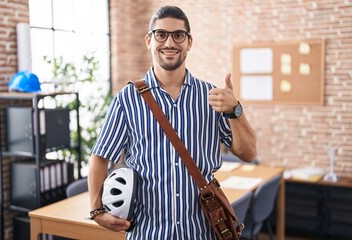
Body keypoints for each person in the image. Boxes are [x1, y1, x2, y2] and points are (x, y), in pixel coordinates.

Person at [88, 5, 257, 239]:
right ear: (149, 40)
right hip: (148, 232)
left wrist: (235, 111)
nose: (169, 43)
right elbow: (100, 157)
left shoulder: (211, 96)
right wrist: (97, 210)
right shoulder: (127, 100)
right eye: (161, 34)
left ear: (189, 42)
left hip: (202, 231)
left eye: (178, 35)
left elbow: (248, 153)